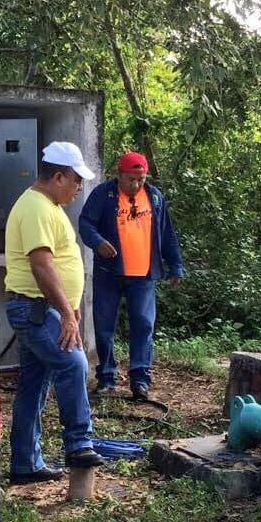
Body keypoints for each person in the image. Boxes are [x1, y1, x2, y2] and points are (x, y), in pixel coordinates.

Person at [3, 141, 105, 484]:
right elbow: (42, 265)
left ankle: (25, 464)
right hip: (36, 308)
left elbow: (60, 262)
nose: (79, 189)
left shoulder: (49, 206)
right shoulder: (36, 207)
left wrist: (71, 307)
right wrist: (66, 313)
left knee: (33, 386)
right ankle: (78, 444)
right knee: (73, 363)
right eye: (76, 181)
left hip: (43, 308)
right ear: (59, 177)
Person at [78, 150, 184, 399]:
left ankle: (140, 379)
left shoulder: (154, 197)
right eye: (131, 179)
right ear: (119, 175)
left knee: (143, 325)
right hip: (109, 272)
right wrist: (98, 242)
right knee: (104, 326)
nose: (135, 185)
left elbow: (167, 233)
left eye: (141, 179)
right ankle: (106, 377)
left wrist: (175, 266)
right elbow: (85, 223)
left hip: (144, 274)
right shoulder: (103, 194)